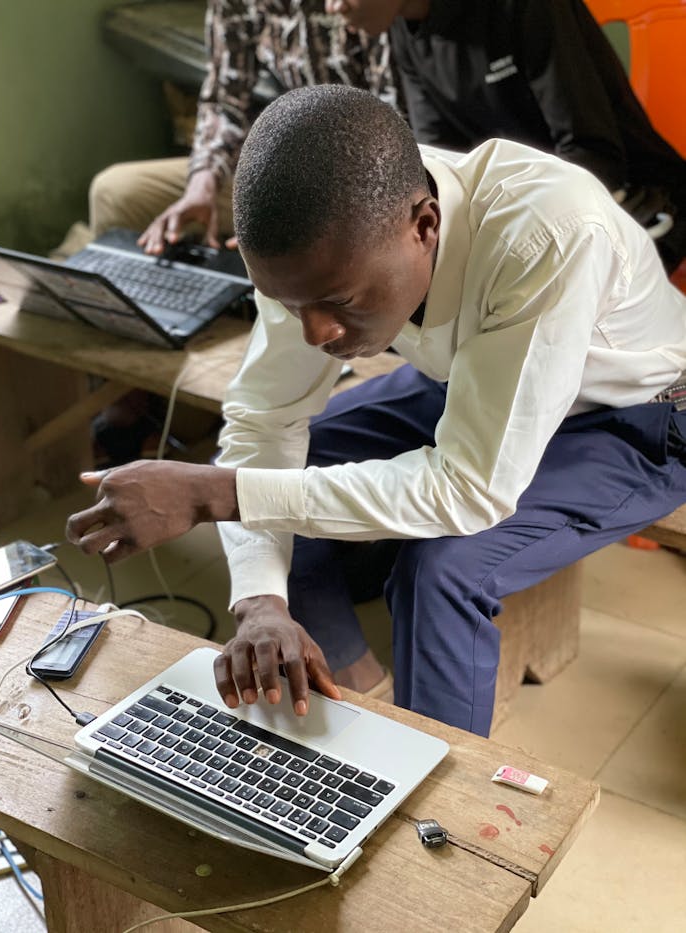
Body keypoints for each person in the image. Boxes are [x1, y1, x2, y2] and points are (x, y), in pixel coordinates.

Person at [66, 85, 686, 737]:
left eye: (338, 302)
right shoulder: (329, 239)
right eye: (287, 302)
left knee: (442, 570)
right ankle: (361, 705)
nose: (315, 333)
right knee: (282, 475)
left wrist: (209, 493)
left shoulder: (549, 233)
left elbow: (470, 490)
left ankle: (437, 802)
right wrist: (259, 602)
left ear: (425, 226)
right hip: (472, 377)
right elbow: (264, 420)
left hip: (640, 415)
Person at [326, 0, 686, 273]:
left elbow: (593, 155)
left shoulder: (526, 7)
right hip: (522, 221)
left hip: (636, 208)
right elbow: (443, 167)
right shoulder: (405, 29)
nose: (334, 7)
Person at [88, 0, 398, 255]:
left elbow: (394, 124)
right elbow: (225, 101)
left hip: (364, 184)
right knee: (115, 193)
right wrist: (202, 187)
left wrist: (309, 203)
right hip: (281, 173)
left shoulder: (365, 8)